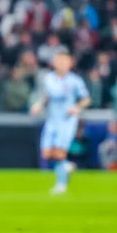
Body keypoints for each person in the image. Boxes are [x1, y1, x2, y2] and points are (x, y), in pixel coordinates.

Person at [30, 50, 91, 194]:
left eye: (65, 61)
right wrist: (39, 105)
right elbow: (46, 96)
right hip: (52, 119)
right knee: (46, 153)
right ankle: (68, 166)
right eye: (59, 61)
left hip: (67, 121)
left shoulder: (75, 80)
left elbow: (86, 99)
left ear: (70, 64)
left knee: (59, 153)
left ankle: (61, 184)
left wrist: (76, 107)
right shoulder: (49, 78)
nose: (62, 64)